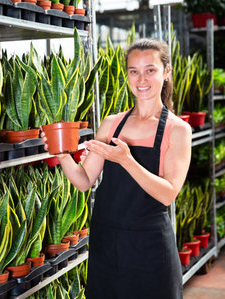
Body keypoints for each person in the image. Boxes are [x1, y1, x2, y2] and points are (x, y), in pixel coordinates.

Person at [41, 38, 191, 298]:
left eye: (150, 70)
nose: (141, 79)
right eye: (134, 71)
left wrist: (126, 160)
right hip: (108, 244)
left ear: (166, 73)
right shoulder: (111, 124)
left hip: (151, 248)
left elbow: (167, 194)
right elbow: (84, 179)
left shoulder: (177, 129)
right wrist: (62, 154)